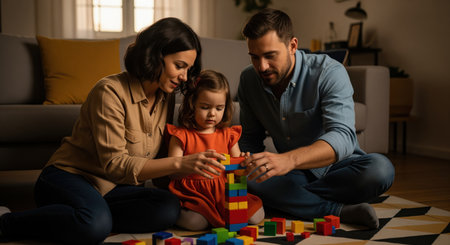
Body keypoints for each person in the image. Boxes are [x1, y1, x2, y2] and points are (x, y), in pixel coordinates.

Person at [0, 18, 228, 245]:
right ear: (155, 56)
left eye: (189, 69)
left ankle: (84, 215)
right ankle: (7, 221)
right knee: (94, 225)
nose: (185, 77)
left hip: (115, 190)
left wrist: (200, 183)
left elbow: (159, 163)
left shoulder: (165, 96)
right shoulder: (109, 92)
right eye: (179, 66)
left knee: (168, 208)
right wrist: (180, 163)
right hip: (71, 177)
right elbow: (116, 165)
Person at [237, 8, 395, 229]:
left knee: (381, 169)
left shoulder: (329, 72)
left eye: (270, 56)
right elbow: (249, 141)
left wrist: (288, 160)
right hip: (291, 175)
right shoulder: (248, 80)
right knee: (246, 179)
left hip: (340, 169)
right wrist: (247, 163)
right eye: (255, 57)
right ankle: (336, 210)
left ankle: (290, 201)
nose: (261, 66)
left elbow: (343, 137)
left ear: (292, 45)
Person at [166, 70, 265, 231]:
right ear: (192, 104)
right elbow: (172, 172)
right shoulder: (181, 135)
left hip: (223, 192)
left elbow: (236, 168)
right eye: (205, 107)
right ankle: (188, 214)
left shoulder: (228, 135)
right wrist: (190, 166)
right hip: (194, 193)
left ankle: (219, 217)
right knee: (196, 223)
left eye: (219, 108)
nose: (212, 113)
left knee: (256, 216)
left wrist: (244, 162)